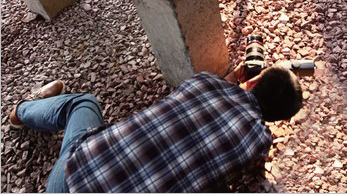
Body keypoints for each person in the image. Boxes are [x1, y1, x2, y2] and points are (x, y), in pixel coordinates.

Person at [8, 63, 303, 193]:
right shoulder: (258, 140)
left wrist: (235, 76)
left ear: (252, 80)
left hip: (72, 175)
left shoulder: (204, 81)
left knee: (83, 103)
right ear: (280, 120)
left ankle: (21, 111)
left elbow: (215, 89)